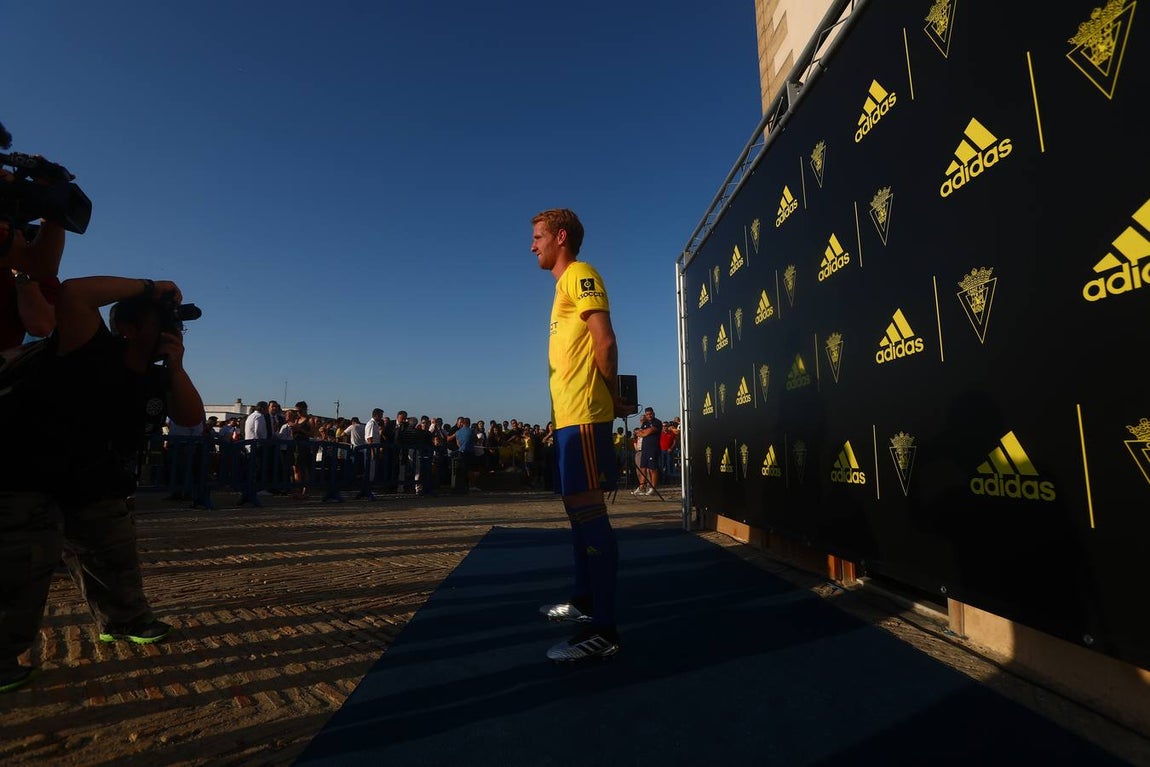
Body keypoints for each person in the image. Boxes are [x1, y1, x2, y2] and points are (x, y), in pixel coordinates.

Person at [1, 275, 205, 693]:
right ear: (127, 328)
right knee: (24, 561)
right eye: (161, 324)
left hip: (90, 473)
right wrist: (151, 287)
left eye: (177, 327)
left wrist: (177, 366)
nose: (172, 332)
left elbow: (190, 417)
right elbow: (75, 293)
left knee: (112, 545)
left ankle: (125, 620)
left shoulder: (155, 374)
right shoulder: (88, 344)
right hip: (21, 468)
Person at [531, 208, 628, 662]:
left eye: (538, 237)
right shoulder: (560, 288)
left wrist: (612, 398)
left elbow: (604, 341)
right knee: (576, 511)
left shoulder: (580, 274)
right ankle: (586, 603)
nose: (533, 245)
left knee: (590, 515)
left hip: (586, 415)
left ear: (560, 237)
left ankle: (605, 632)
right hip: (570, 418)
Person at [634, 407, 663, 496]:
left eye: (650, 414)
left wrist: (644, 432)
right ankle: (642, 487)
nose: (649, 416)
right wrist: (643, 432)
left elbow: (646, 433)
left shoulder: (657, 422)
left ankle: (652, 487)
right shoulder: (645, 423)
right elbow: (639, 433)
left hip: (653, 448)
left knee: (652, 469)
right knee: (643, 468)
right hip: (644, 449)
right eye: (647, 414)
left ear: (653, 413)